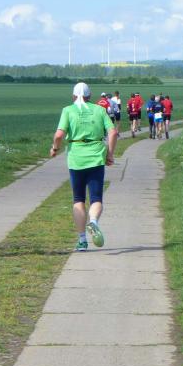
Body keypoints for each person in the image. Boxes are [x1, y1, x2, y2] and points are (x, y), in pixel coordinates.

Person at [50, 82, 116, 252]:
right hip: (96, 158)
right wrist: (110, 154)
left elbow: (59, 135)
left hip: (76, 159)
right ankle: (93, 221)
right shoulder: (99, 110)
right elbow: (113, 132)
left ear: (73, 96)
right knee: (96, 198)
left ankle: (82, 240)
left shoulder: (68, 110)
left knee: (78, 199)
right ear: (89, 96)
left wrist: (55, 148)